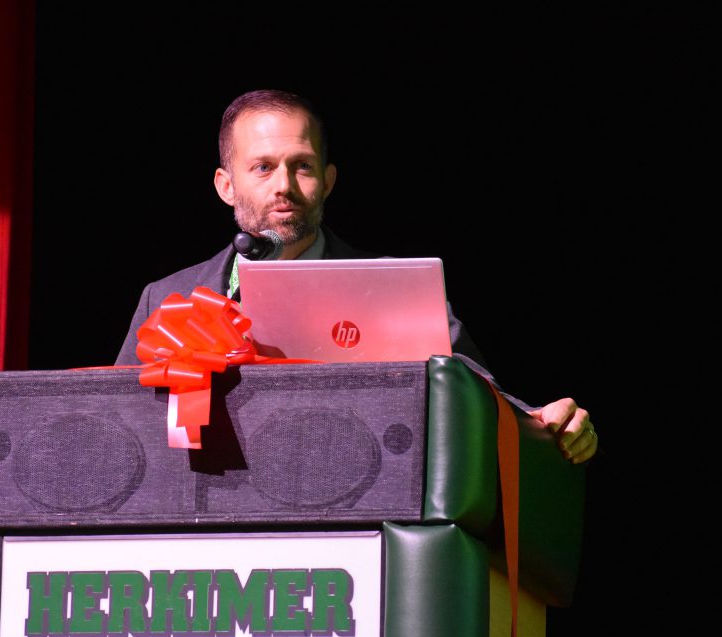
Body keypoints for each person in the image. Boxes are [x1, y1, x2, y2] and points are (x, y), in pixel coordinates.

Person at [115, 89, 598, 464]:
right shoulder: (168, 297)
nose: (284, 186)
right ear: (226, 185)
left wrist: (542, 423)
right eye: (262, 167)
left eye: (301, 167)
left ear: (326, 181)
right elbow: (118, 425)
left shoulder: (394, 288)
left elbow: (475, 392)